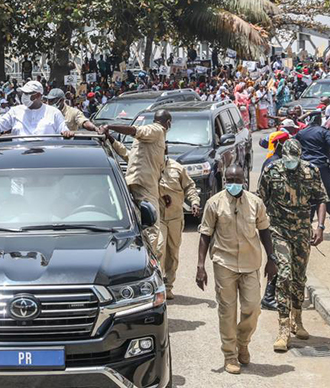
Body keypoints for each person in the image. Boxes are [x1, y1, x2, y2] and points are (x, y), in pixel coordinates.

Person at [196, 166, 276, 375]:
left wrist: (271, 258)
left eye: (237, 179)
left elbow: (265, 230)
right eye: (229, 179)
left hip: (251, 263)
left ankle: (243, 343)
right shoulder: (214, 203)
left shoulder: (255, 203)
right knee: (227, 311)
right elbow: (205, 234)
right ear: (224, 180)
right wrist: (200, 266)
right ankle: (230, 355)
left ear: (244, 180)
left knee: (253, 307)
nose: (233, 182)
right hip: (225, 263)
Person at [258, 139, 328, 352]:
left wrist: (321, 227)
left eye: (294, 160)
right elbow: (261, 201)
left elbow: (321, 199)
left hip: (302, 232)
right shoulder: (271, 171)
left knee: (299, 277)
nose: (291, 163)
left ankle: (297, 318)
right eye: (288, 159)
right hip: (278, 231)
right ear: (283, 156)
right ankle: (283, 328)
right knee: (285, 275)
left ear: (300, 156)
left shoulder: (311, 171)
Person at [99, 109, 172, 257]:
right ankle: (148, 261)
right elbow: (135, 130)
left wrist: (111, 139)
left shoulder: (148, 142)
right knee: (153, 228)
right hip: (144, 185)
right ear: (168, 123)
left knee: (138, 226)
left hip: (138, 183)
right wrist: (111, 127)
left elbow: (128, 156)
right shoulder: (156, 130)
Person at [159, 149, 200, 299]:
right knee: (159, 249)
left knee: (173, 253)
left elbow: (189, 186)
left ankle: (168, 286)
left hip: (175, 217)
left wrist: (194, 202)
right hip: (158, 218)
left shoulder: (177, 168)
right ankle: (157, 287)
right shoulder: (150, 167)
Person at [0, 81, 71, 137]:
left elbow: (64, 131)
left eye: (28, 93)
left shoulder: (53, 112)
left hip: (47, 159)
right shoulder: (15, 111)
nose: (24, 96)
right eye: (24, 93)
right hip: (20, 157)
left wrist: (67, 133)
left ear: (38, 95)